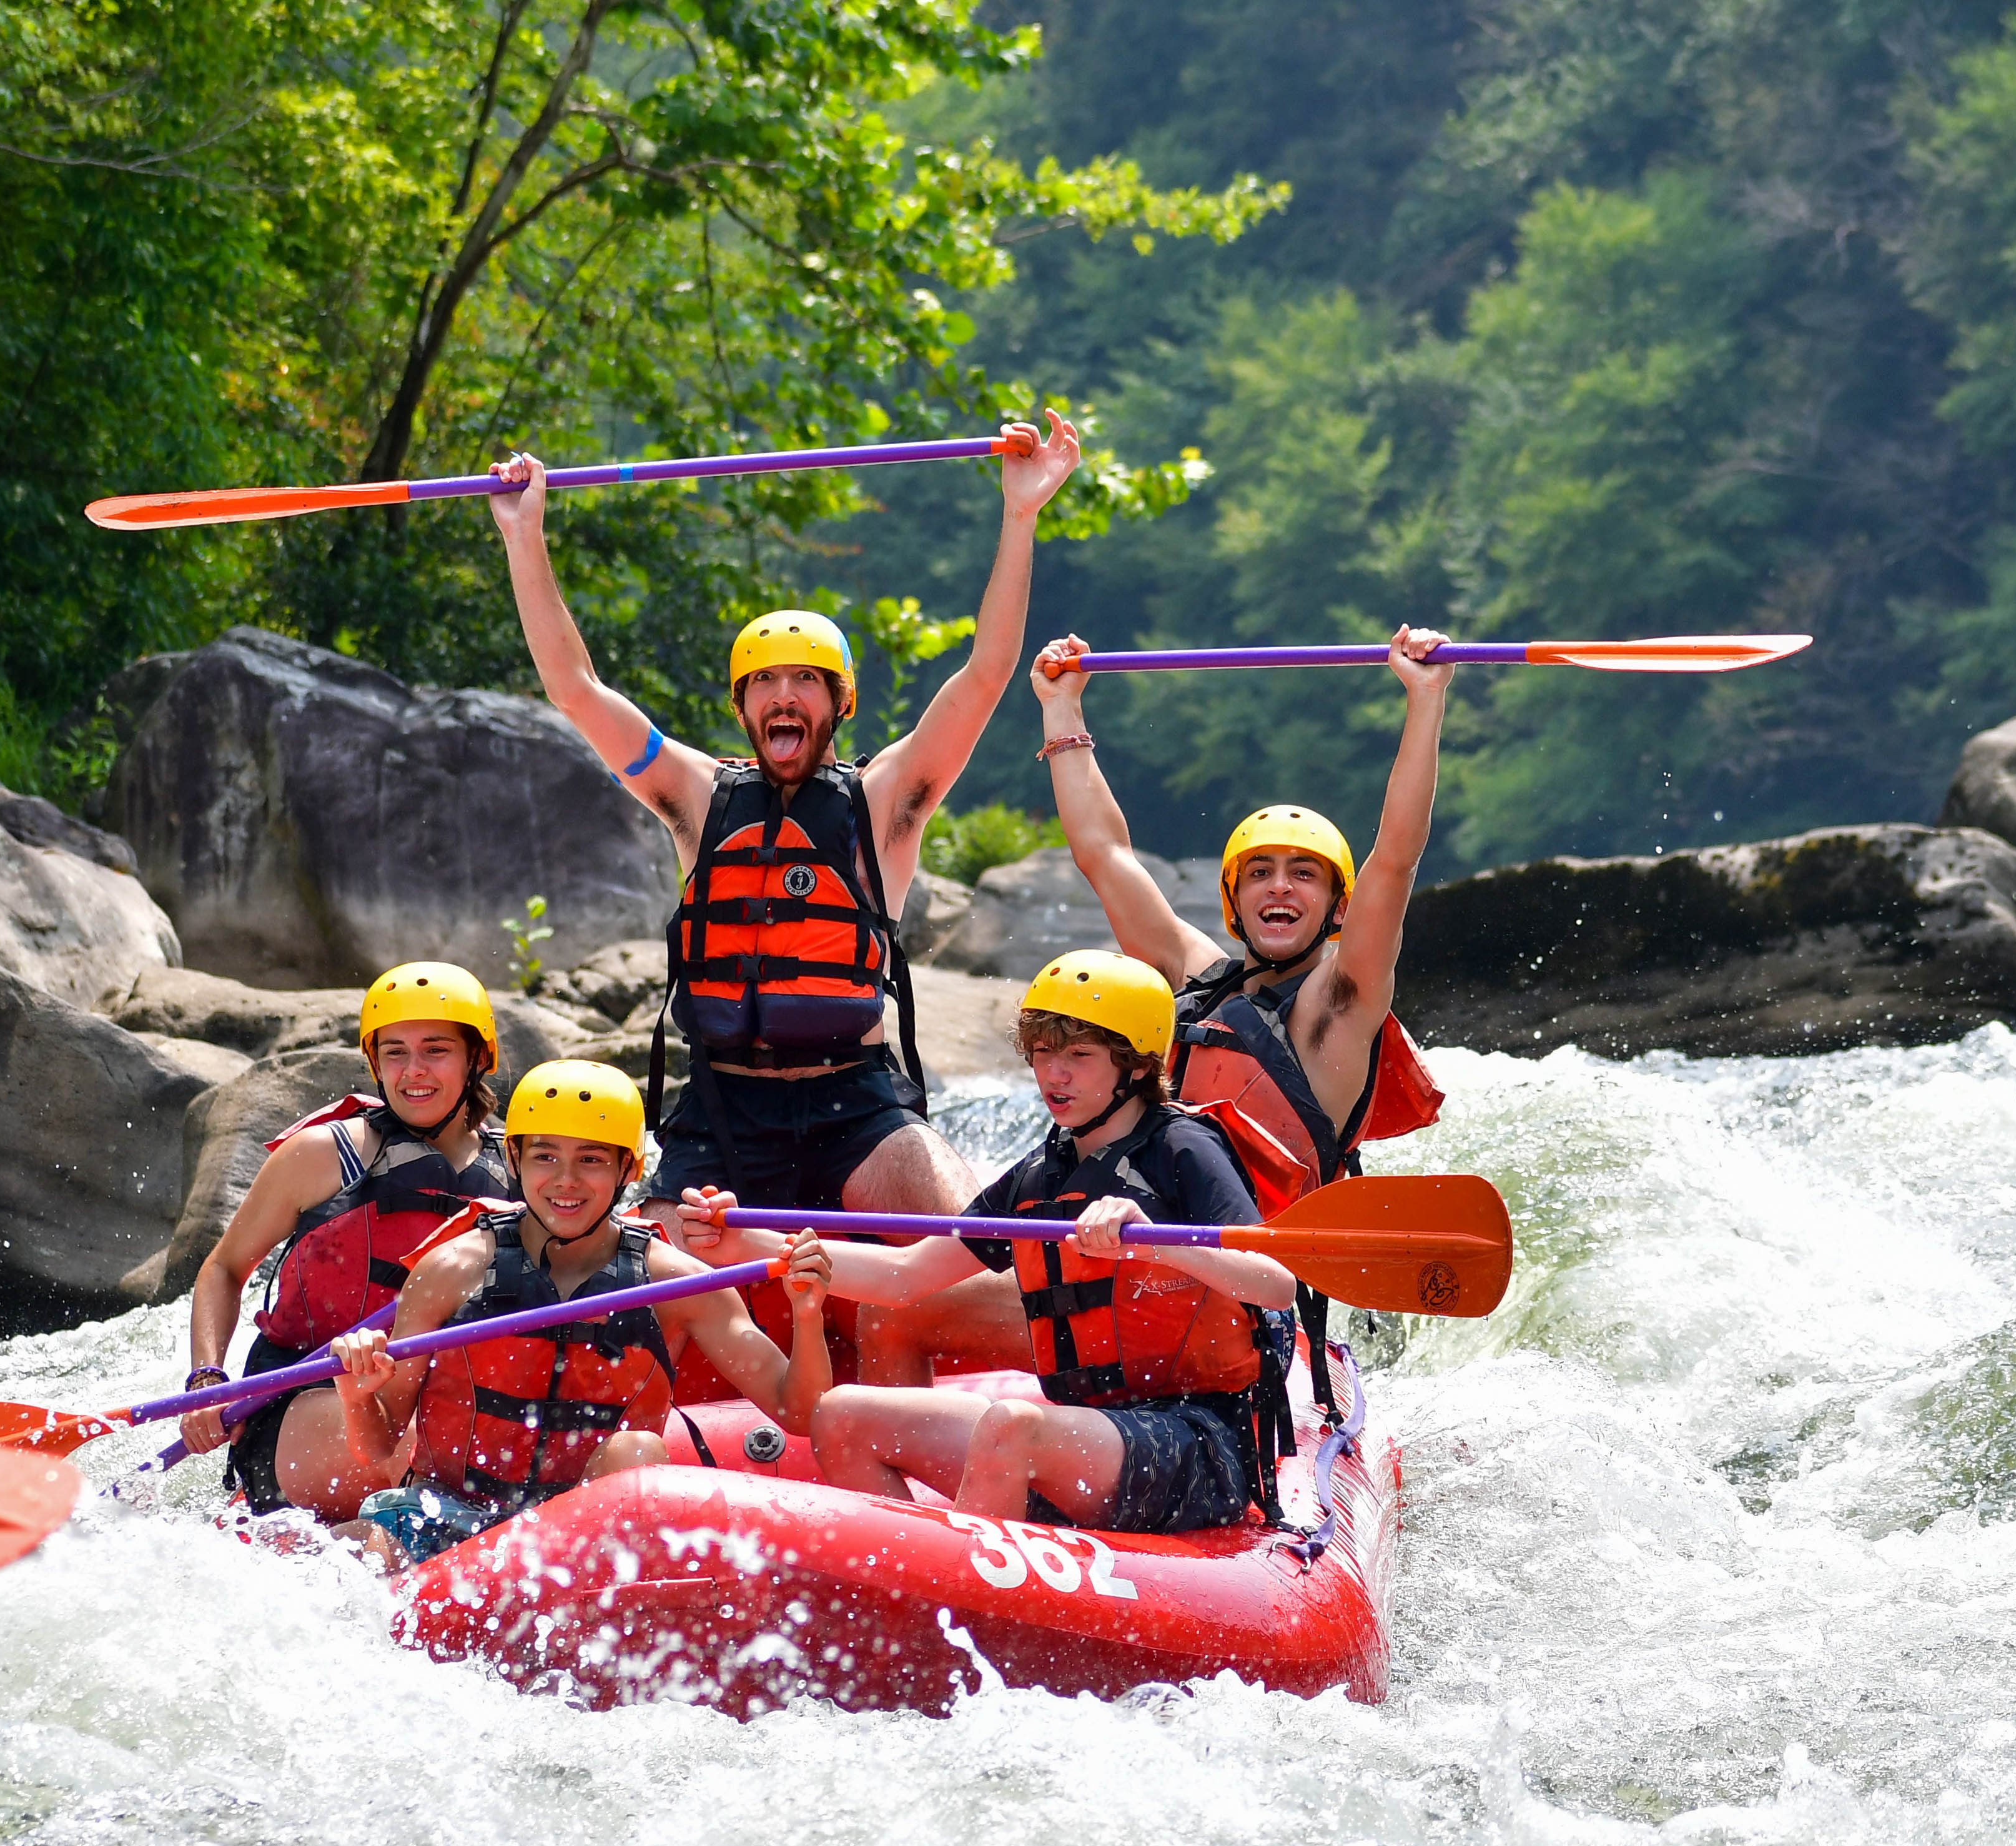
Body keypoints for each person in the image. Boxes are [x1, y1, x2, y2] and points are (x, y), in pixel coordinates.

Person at [485, 414, 1082, 1236]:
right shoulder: (698, 798)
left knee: (970, 1249)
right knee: (642, 1281)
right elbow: (575, 689)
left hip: (855, 1106)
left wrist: (1020, 516)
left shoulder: (884, 801)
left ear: (839, 704)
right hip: (722, 1108)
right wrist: (526, 537)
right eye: (764, 682)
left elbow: (984, 677)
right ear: (741, 708)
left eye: (807, 679)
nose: (784, 695)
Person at [676, 953, 1297, 1534]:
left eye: (1079, 1055)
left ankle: (951, 1618)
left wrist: (1156, 1243)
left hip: (1199, 1443)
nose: (1054, 1074)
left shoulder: (1184, 1151)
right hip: (1083, 1439)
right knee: (842, 1417)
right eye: (1043, 1052)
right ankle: (912, 1596)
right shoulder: (1041, 1173)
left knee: (1012, 1426)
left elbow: (1275, 1283)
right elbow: (905, 1276)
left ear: (1136, 1066)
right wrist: (754, 1247)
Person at [321, 1062, 833, 1569]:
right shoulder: (451, 1270)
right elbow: (377, 1447)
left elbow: (800, 1412)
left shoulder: (677, 1284)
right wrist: (356, 1392)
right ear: (515, 1159)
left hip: (582, 1532)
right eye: (545, 1156)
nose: (566, 1182)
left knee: (636, 1451)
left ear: (628, 1170)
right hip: (446, 1516)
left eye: (591, 1160)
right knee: (348, 1549)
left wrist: (806, 1316)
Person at [1024, 627, 1456, 1206]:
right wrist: (1061, 707)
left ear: (1339, 907)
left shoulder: (1338, 1006)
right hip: (1139, 1263)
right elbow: (1103, 855)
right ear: (1233, 898)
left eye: (1304, 873)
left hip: (1254, 1284)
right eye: (1260, 873)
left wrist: (1425, 699)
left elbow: (1396, 860)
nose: (1279, 886)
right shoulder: (1189, 979)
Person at [182, 964, 518, 1519]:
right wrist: (206, 1378)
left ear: (476, 1058)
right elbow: (223, 1269)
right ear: (374, 1063)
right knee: (431, 1436)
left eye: (435, 1050)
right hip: (305, 1401)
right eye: (394, 1053)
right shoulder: (323, 1155)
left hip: (442, 1401)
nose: (414, 1072)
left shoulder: (520, 1168)